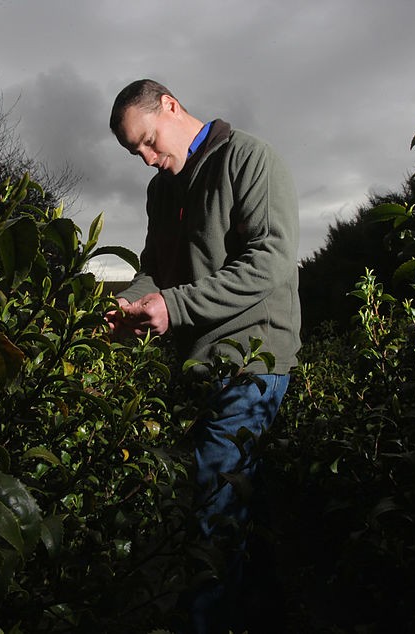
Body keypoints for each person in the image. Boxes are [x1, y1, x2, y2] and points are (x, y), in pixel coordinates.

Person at [106, 79, 301, 634]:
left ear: (170, 106)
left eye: (146, 141)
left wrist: (174, 307)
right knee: (234, 496)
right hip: (198, 361)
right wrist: (126, 303)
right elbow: (156, 268)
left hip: (252, 358)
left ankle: (204, 621)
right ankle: (266, 610)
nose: (146, 158)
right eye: (133, 153)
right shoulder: (161, 190)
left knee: (215, 496)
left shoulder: (250, 160)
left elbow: (269, 264)